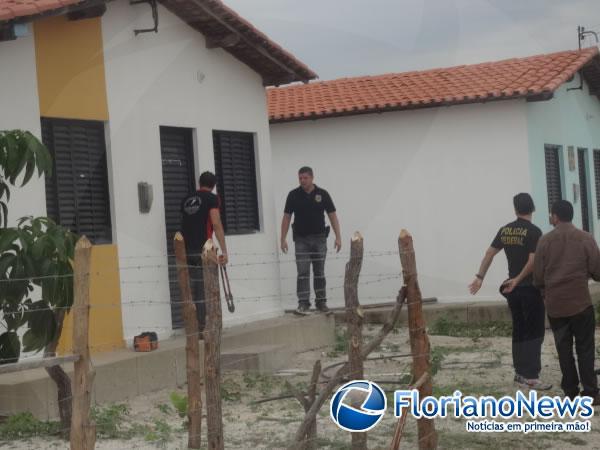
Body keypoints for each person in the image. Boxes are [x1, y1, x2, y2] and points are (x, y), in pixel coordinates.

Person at [469, 193, 551, 390]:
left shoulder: (505, 230)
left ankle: (520, 373)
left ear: (515, 210)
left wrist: (480, 277)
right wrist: (519, 279)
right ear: (532, 208)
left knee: (519, 330)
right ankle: (531, 376)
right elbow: (532, 261)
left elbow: (489, 253)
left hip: (512, 290)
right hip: (529, 289)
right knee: (534, 332)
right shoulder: (534, 231)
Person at [533, 200, 600, 403]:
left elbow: (537, 277)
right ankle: (590, 392)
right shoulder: (586, 238)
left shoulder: (544, 241)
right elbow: (597, 272)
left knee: (564, 349)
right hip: (581, 303)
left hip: (556, 307)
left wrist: (546, 291)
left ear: (555, 217)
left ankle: (570, 392)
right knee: (585, 348)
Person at [281, 166, 341, 315]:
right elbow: (287, 217)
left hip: (320, 239)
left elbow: (332, 215)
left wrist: (338, 237)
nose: (302, 181)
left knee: (319, 272)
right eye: (300, 178)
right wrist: (282, 238)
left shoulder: (322, 194)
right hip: (301, 240)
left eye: (305, 178)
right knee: (302, 272)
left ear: (312, 178)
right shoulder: (293, 195)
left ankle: (321, 303)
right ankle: (303, 304)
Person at [180, 171, 228, 333]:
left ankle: (195, 326)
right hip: (204, 249)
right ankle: (206, 326)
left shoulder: (186, 199)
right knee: (207, 288)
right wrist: (224, 250)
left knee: (193, 288)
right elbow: (215, 223)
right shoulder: (212, 199)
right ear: (213, 186)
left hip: (185, 250)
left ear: (199, 183)